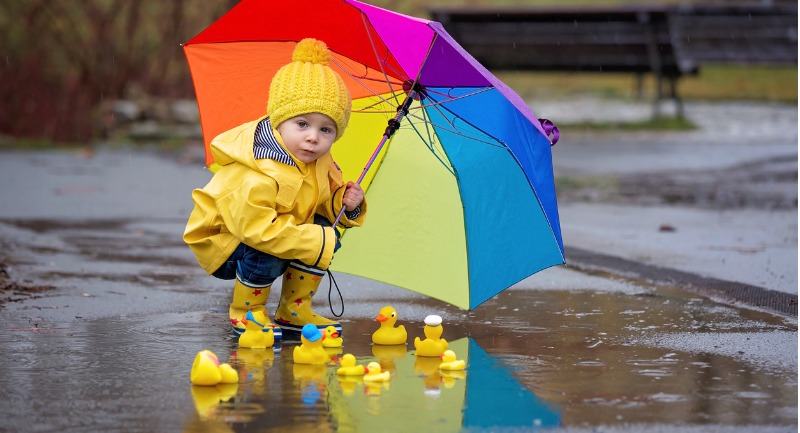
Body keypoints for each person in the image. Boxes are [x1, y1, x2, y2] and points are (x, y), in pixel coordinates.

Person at [183, 38, 366, 340]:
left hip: (275, 229)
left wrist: (345, 202)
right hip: (226, 241)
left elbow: (321, 206)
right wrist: (314, 240)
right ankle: (247, 310)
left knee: (326, 230)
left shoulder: (322, 163)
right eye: (302, 124)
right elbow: (255, 229)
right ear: (280, 121)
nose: (313, 138)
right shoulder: (259, 168)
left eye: (326, 129)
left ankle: (294, 309)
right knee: (283, 245)